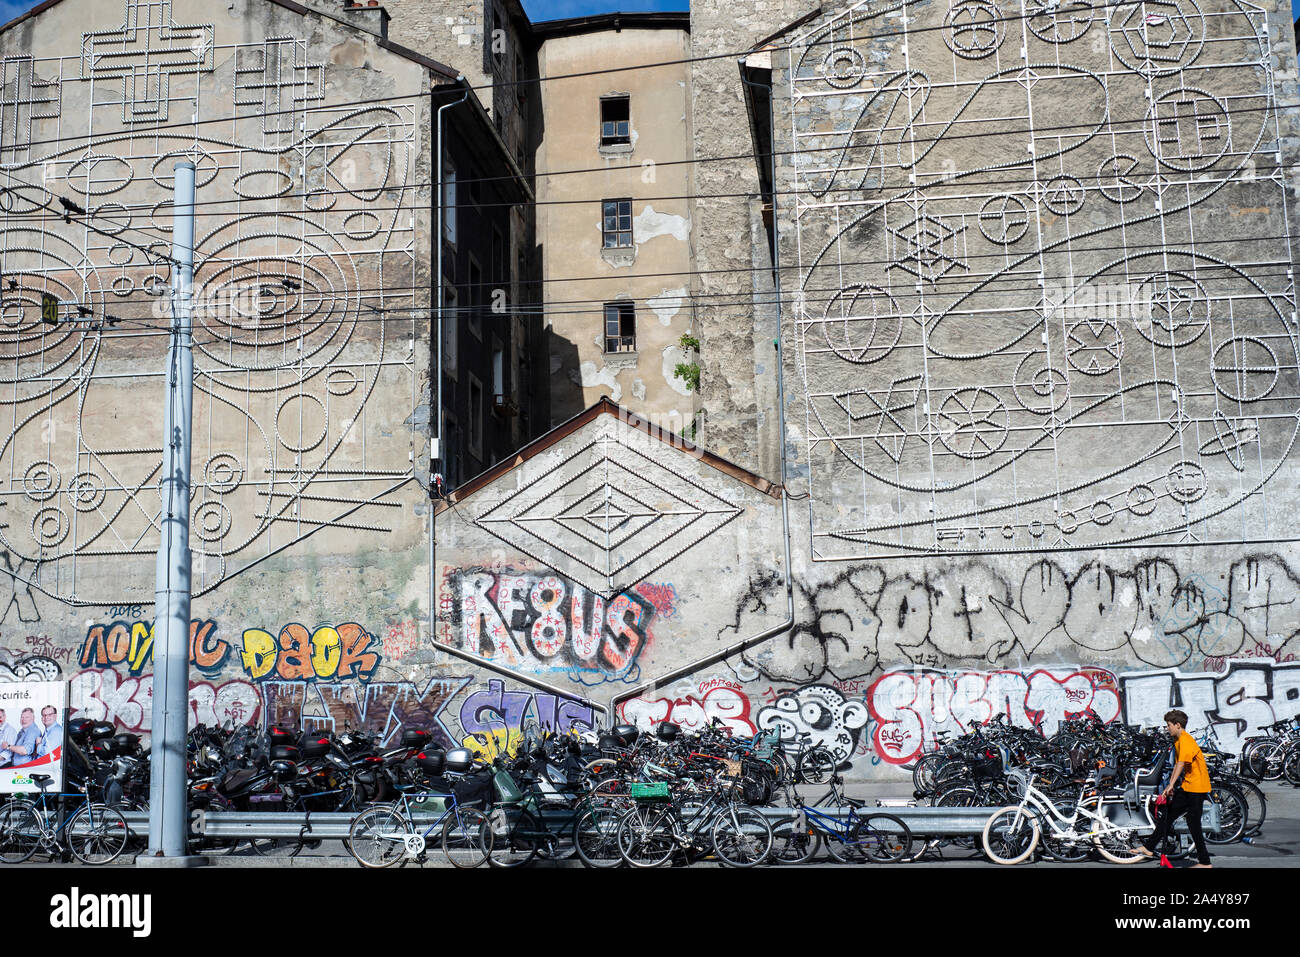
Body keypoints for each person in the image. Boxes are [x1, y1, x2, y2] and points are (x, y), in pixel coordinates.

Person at [1136, 709, 1212, 868]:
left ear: (1178, 725)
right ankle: (1149, 847)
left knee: (1193, 823)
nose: (1167, 728)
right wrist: (1173, 785)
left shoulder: (1185, 740)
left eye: (1169, 725)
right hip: (1189, 785)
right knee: (1168, 815)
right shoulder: (1179, 740)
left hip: (1197, 787)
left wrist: (1170, 784)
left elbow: (1180, 764)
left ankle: (1205, 863)